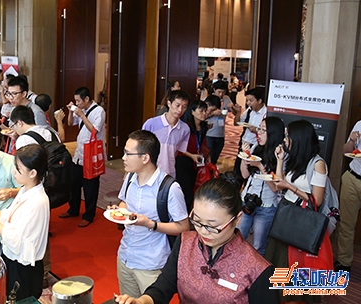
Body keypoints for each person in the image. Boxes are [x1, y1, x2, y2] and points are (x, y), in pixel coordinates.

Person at [115, 178, 278, 304]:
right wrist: (142, 301)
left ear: (237, 220)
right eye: (198, 222)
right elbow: (164, 286)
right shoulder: (185, 242)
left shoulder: (258, 269)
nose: (203, 232)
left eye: (213, 226)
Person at [110, 130, 189, 298]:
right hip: (125, 256)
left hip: (151, 264)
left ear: (145, 158)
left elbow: (183, 227)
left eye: (128, 153)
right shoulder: (130, 178)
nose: (123, 158)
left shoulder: (170, 188)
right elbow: (125, 203)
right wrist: (118, 211)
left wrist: (150, 224)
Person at [0, 144, 50, 301]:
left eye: (18, 169)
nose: (14, 172)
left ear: (33, 173)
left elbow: (14, 239)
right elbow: (8, 216)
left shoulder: (38, 202)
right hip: (14, 259)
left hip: (24, 266)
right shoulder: (25, 190)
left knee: (19, 298)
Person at [264, 120, 329, 302]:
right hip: (287, 209)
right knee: (279, 256)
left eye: (288, 136)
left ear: (299, 138)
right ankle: (279, 294)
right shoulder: (296, 158)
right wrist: (280, 160)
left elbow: (316, 200)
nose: (285, 139)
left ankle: (295, 296)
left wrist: (290, 187)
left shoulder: (318, 164)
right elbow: (279, 183)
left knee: (297, 260)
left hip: (301, 215)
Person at [59, 86, 106, 227]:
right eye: (75, 101)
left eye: (79, 101)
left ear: (87, 99)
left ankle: (89, 215)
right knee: (74, 184)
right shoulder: (81, 109)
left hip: (91, 155)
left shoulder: (99, 111)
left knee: (90, 187)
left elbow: (94, 131)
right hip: (79, 155)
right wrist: (71, 111)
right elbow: (70, 123)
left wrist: (82, 116)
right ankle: (73, 209)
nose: (77, 103)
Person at [237, 117, 284, 255]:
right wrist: (245, 158)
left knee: (258, 245)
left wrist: (260, 166)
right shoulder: (255, 148)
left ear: (273, 133)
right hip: (247, 199)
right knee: (238, 238)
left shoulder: (280, 155)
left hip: (266, 205)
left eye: (264, 130)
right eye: (259, 129)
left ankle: (256, 269)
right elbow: (244, 175)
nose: (259, 133)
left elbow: (275, 187)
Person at [142, 90, 190, 178]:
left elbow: (176, 152)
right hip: (148, 171)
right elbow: (140, 148)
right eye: (177, 105)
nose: (180, 110)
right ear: (169, 103)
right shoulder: (151, 123)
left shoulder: (185, 129)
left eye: (184, 107)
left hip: (169, 172)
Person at [335, 120, 361, 273]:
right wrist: (351, 140)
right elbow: (345, 151)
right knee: (346, 224)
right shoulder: (359, 124)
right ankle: (344, 262)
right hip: (352, 177)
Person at [175, 100, 209, 211]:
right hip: (183, 161)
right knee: (186, 190)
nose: (204, 113)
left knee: (194, 187)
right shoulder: (186, 127)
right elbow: (179, 147)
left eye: (205, 111)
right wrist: (192, 156)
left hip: (195, 161)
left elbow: (202, 143)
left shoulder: (203, 127)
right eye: (201, 111)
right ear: (193, 112)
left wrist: (206, 155)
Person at [233, 88, 267, 177]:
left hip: (255, 146)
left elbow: (268, 132)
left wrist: (256, 130)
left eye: (251, 100)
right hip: (244, 143)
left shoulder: (266, 114)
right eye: (247, 100)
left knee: (250, 172)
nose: (248, 103)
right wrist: (238, 112)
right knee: (237, 170)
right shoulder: (249, 110)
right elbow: (236, 123)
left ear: (259, 101)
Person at [204, 81, 233, 165]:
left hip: (220, 133)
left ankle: (212, 171)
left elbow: (233, 111)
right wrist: (213, 113)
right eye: (219, 92)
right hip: (209, 133)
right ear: (214, 89)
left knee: (215, 156)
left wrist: (234, 108)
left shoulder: (226, 99)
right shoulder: (207, 100)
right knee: (207, 157)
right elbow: (201, 117)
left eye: (223, 92)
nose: (221, 94)